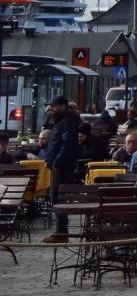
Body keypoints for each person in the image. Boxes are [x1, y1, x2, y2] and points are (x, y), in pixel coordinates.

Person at [38, 95, 82, 242]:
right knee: (55, 197)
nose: (51, 108)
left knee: (57, 197)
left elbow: (67, 144)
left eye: (54, 106)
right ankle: (60, 231)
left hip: (62, 166)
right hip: (58, 165)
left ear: (62, 106)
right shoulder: (59, 120)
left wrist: (57, 162)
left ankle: (61, 232)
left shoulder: (68, 121)